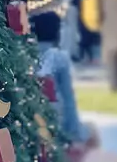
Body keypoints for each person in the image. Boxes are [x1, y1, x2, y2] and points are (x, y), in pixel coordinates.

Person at [30, 11, 84, 143]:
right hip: (55, 116)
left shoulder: (26, 54)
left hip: (30, 114)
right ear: (57, 32)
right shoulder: (59, 58)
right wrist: (74, 131)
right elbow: (68, 97)